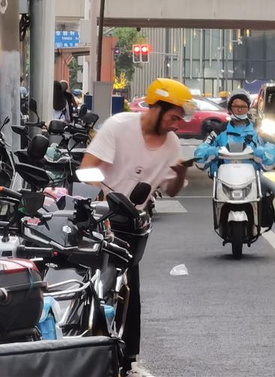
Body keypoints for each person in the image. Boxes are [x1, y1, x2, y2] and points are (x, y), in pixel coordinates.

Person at [80, 78, 194, 376]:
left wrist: (181, 173)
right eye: (173, 117)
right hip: (101, 216)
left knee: (129, 289)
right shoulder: (119, 127)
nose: (176, 125)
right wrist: (101, 195)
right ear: (157, 108)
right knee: (92, 285)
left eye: (179, 119)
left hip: (132, 223)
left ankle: (128, 359)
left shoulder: (171, 143)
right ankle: (84, 350)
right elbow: (87, 167)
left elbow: (171, 190)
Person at [194, 90, 275, 212]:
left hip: (252, 177)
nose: (239, 110)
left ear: (248, 108)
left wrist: (259, 152)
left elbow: (271, 147)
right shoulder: (219, 130)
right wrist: (213, 152)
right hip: (225, 178)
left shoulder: (257, 130)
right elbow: (203, 148)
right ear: (230, 108)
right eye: (236, 106)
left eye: (243, 107)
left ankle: (263, 218)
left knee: (273, 189)